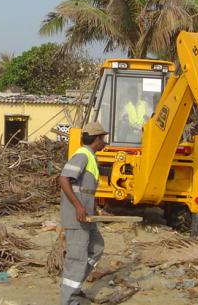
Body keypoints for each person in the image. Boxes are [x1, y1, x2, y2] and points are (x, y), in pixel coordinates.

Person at [59, 122, 108, 305]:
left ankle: (75, 287)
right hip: (76, 216)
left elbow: (85, 190)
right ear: (96, 139)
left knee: (96, 247)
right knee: (77, 257)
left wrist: (95, 209)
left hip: (86, 215)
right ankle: (69, 300)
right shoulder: (82, 155)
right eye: (102, 138)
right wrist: (79, 207)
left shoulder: (90, 156)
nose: (104, 142)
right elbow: (64, 179)